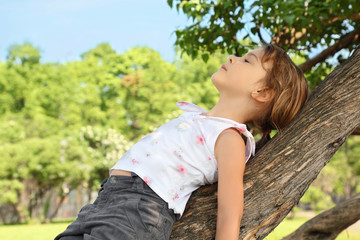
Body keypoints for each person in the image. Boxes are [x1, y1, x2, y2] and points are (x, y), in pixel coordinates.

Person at [54, 43, 309, 240]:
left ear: (262, 92)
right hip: (108, 197)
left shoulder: (230, 138)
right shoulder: (202, 119)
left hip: (140, 210)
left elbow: (231, 209)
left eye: (247, 60)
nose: (232, 58)